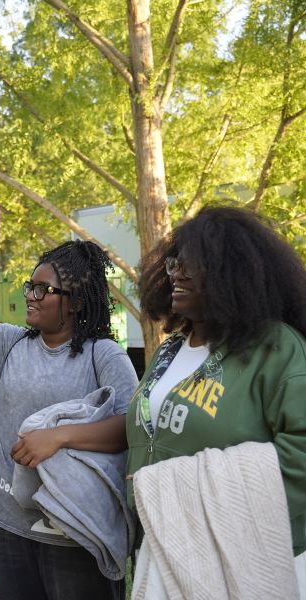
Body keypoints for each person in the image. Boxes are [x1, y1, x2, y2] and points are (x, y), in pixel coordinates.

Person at [0, 206, 139, 600]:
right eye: (30, 285)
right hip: (8, 523)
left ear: (74, 302)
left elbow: (131, 426)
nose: (30, 295)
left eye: (43, 290)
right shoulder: (11, 344)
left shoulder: (104, 355)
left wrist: (59, 437)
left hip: (74, 529)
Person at [127, 206, 306, 594]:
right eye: (176, 262)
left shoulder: (277, 349)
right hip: (162, 546)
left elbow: (302, 456)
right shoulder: (169, 351)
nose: (178, 272)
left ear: (236, 273)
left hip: (245, 559)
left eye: (197, 264)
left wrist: (178, 491)